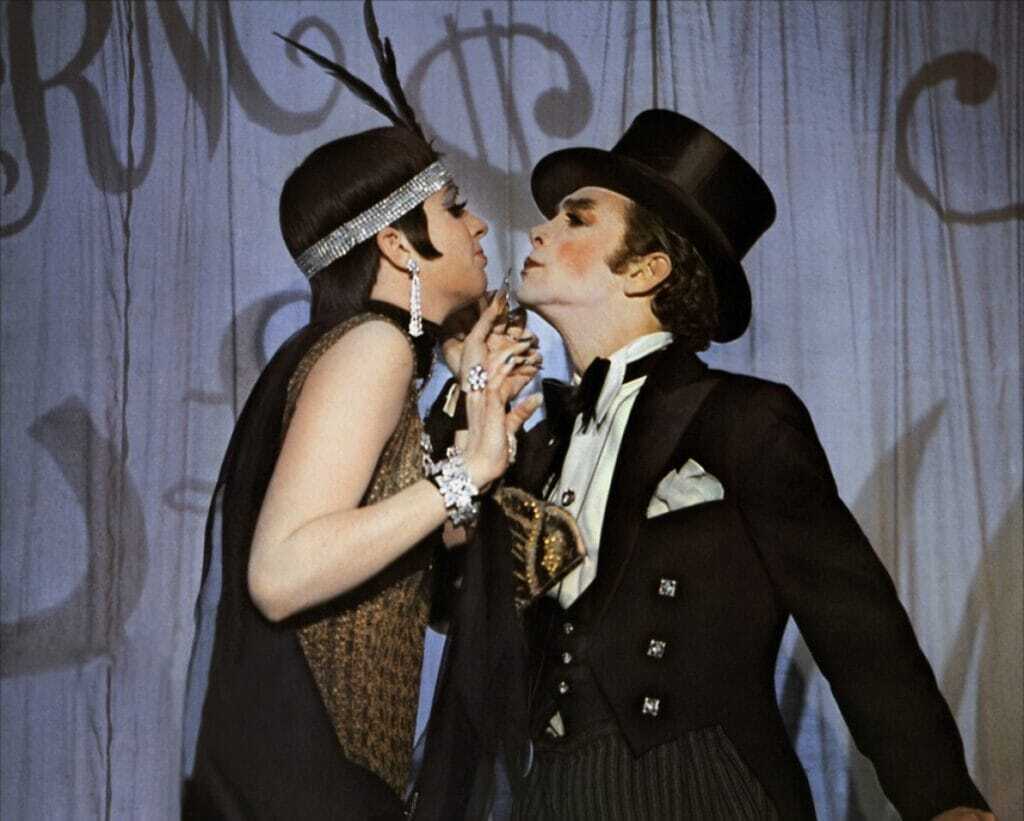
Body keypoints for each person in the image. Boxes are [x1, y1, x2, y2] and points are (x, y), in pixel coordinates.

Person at [491, 108, 994, 820]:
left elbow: (853, 620)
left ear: (646, 270)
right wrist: (466, 408)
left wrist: (942, 800)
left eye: (576, 218)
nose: (539, 231)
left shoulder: (744, 418)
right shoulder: (536, 442)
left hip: (698, 784)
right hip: (551, 793)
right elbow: (460, 610)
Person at [180, 8, 546, 818]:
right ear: (398, 245)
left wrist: (471, 401)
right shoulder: (372, 347)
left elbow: (391, 555)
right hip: (305, 778)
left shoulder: (353, 350)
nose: (480, 225)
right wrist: (466, 473)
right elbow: (280, 573)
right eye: (454, 207)